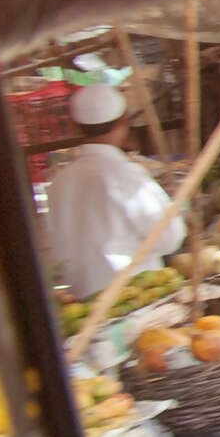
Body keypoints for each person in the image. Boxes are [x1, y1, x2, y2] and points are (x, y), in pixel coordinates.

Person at [43, 82, 182, 298]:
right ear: (124, 121)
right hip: (132, 297)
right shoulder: (125, 175)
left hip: (83, 302)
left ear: (76, 127)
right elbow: (169, 237)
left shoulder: (58, 182)